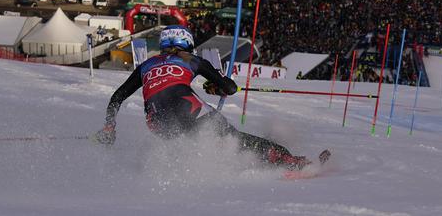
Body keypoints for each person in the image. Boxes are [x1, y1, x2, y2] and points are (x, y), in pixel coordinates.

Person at [94, 25, 311, 170]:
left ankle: (223, 166)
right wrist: (218, 87)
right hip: (187, 106)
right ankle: (287, 159)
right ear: (187, 43)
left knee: (193, 144)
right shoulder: (191, 59)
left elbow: (117, 97)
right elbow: (229, 87)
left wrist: (109, 126)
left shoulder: (146, 66)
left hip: (156, 120)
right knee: (232, 138)